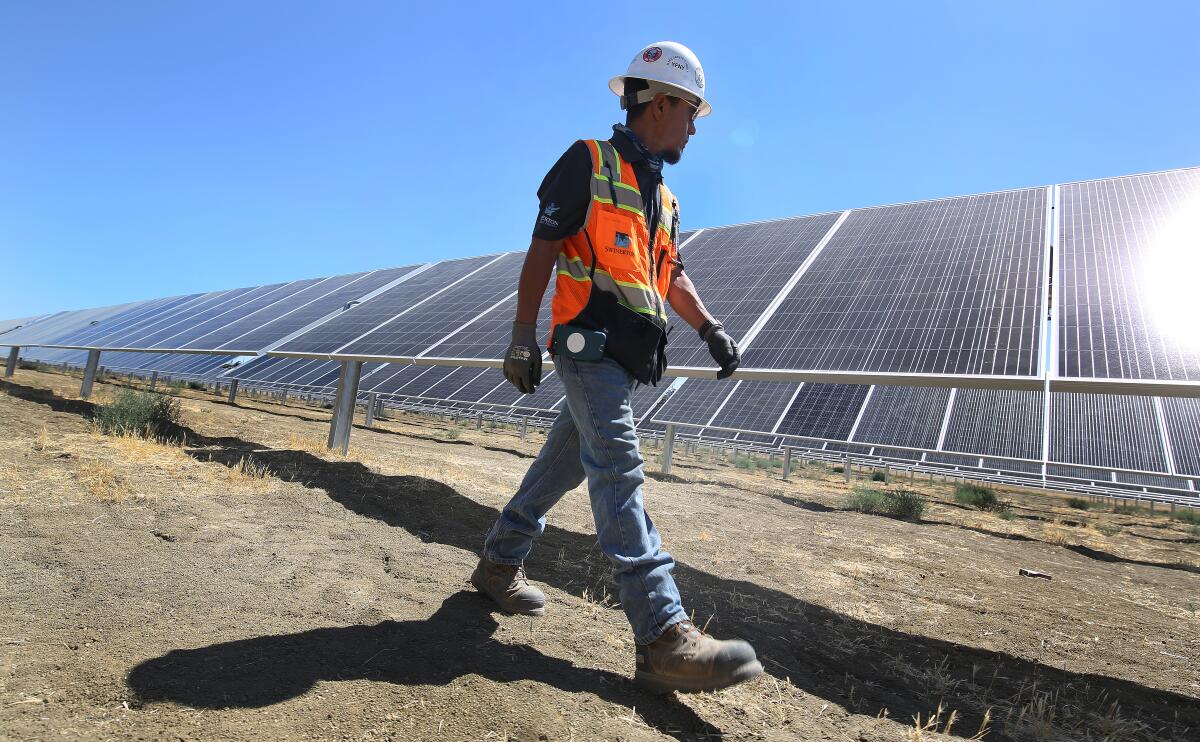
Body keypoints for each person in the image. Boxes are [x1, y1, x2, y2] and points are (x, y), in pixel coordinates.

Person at [471, 41, 760, 694]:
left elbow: (671, 274)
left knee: (562, 465)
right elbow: (543, 249)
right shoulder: (589, 162)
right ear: (660, 104)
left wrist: (709, 328)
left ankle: (498, 561)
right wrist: (521, 335)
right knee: (619, 465)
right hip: (585, 345)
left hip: (627, 359)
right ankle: (662, 632)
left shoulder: (665, 198)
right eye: (690, 113)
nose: (693, 127)